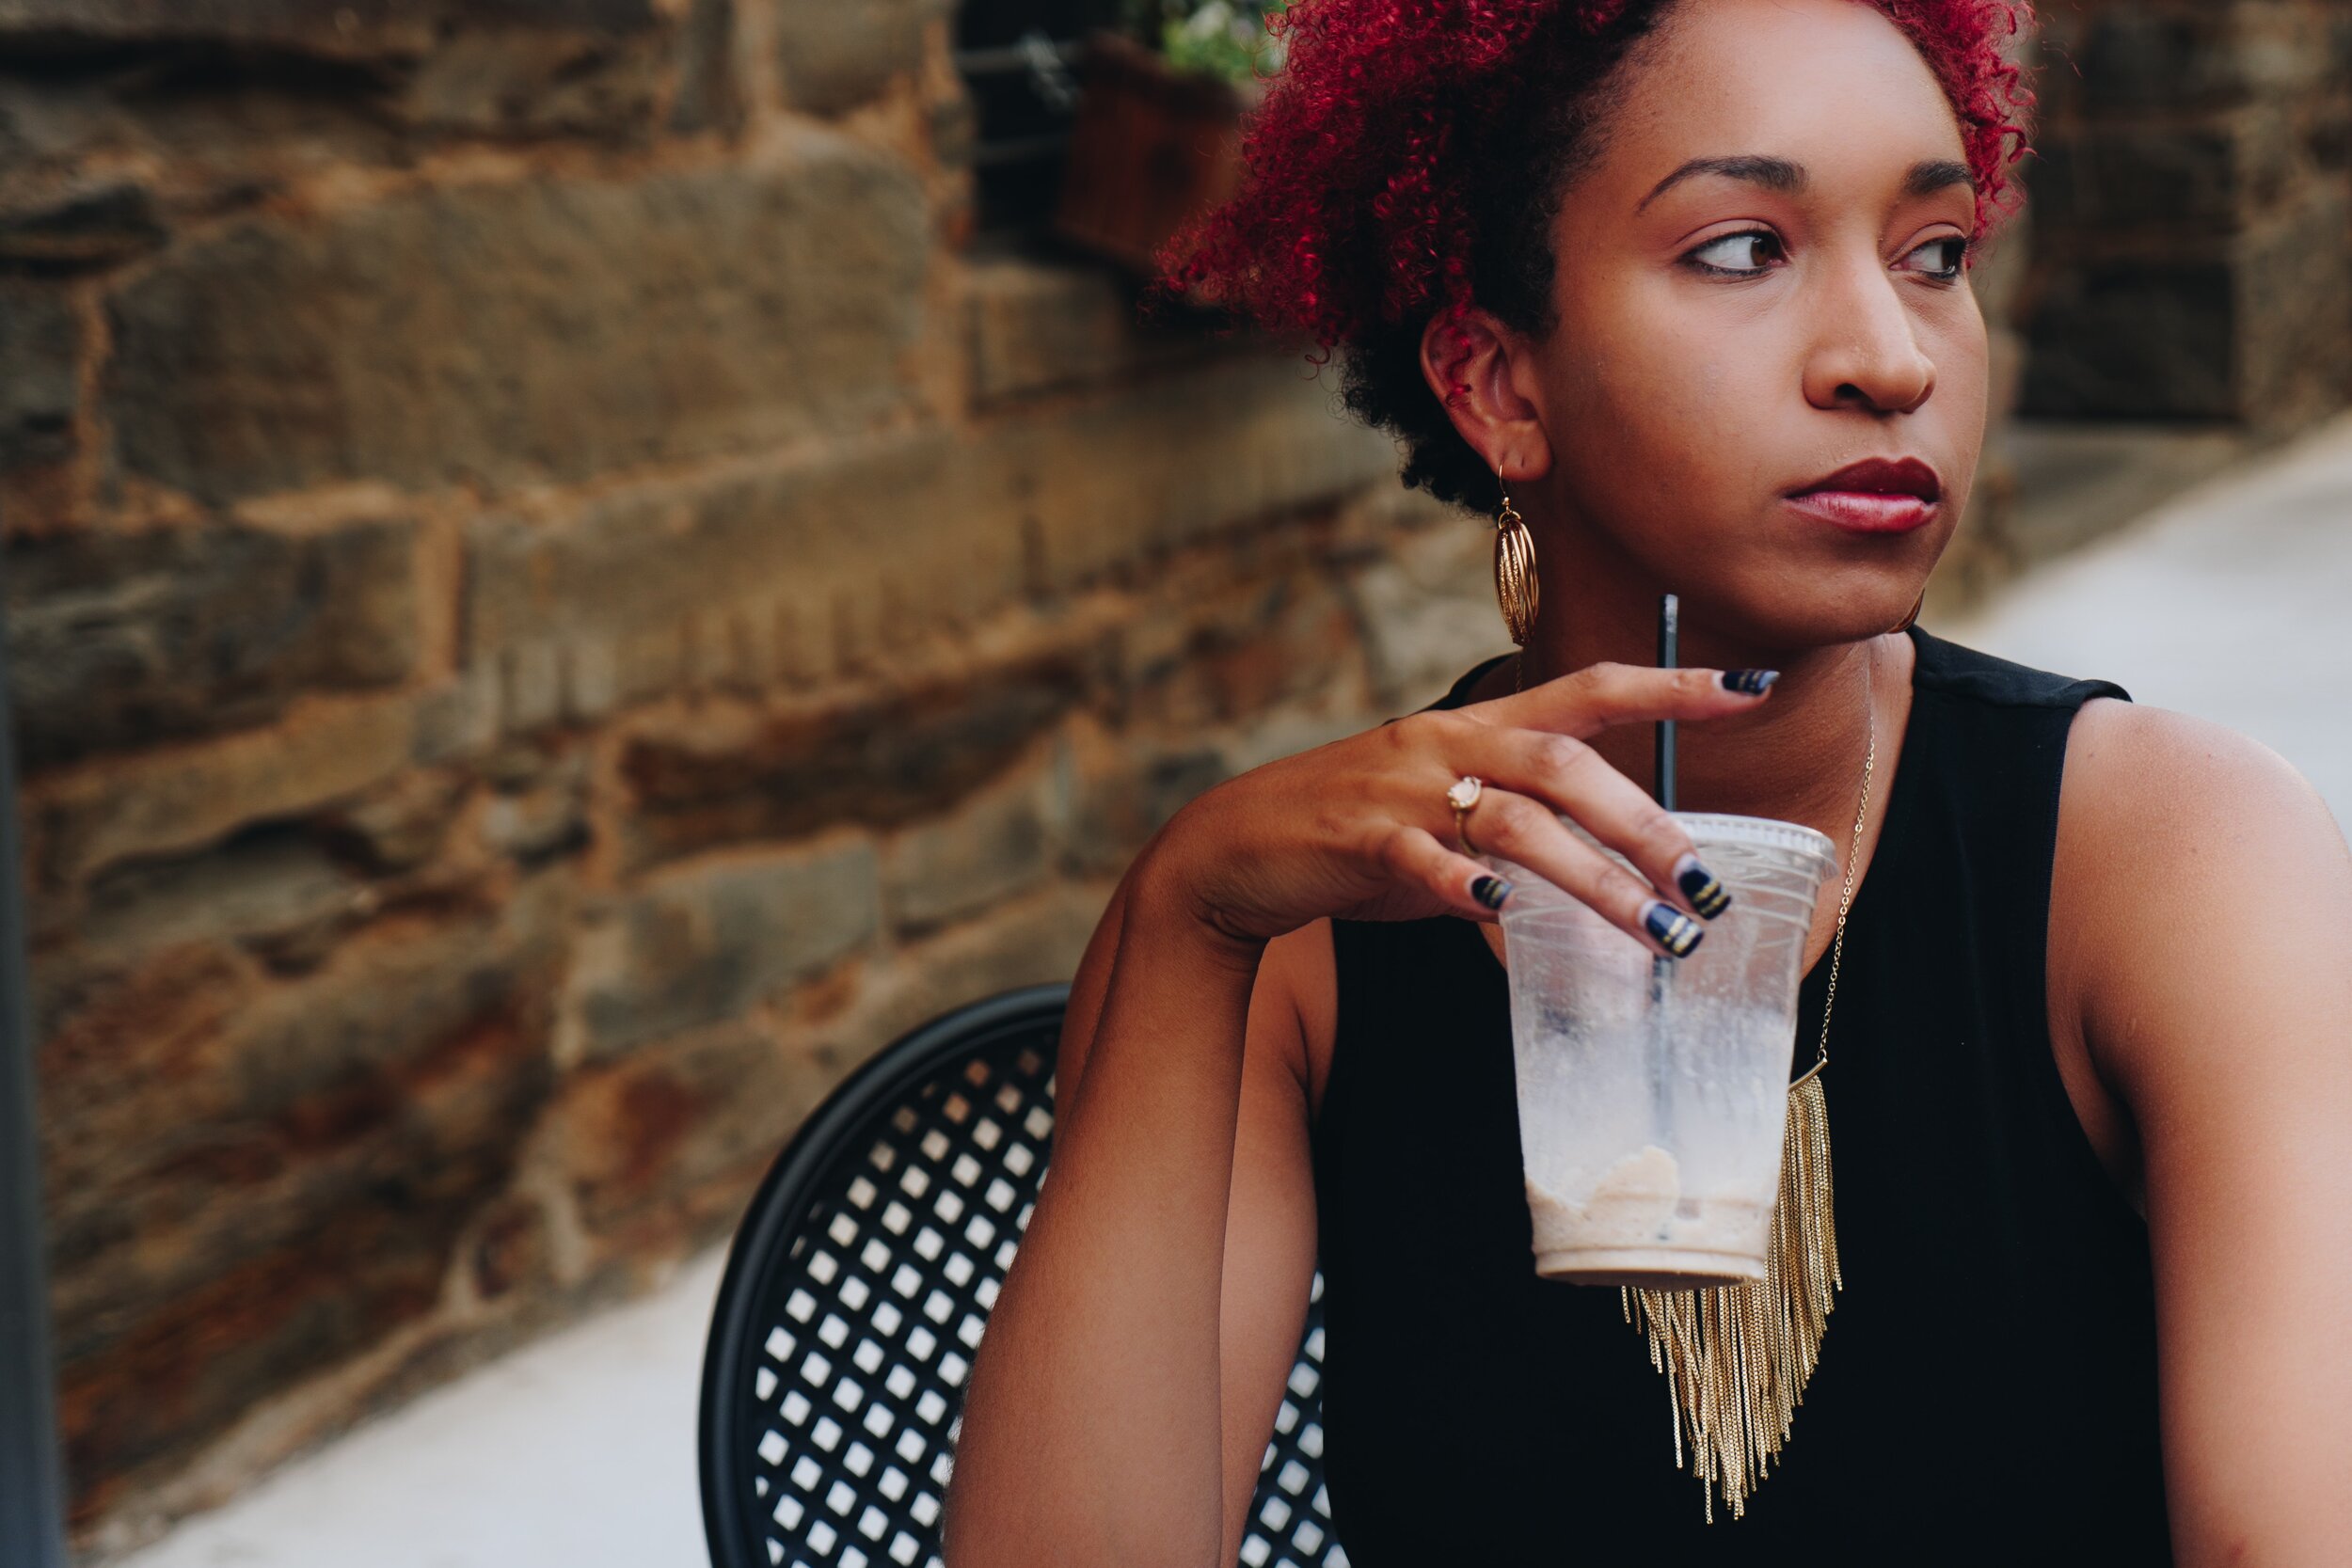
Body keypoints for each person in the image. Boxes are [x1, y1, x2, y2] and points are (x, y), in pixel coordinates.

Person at [943, 0, 2352, 1562]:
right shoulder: (1302, 943)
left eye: (1935, 252)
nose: (1891, 358)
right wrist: (1185, 912)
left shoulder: (2174, 858)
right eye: (1744, 248)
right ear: (1497, 385)